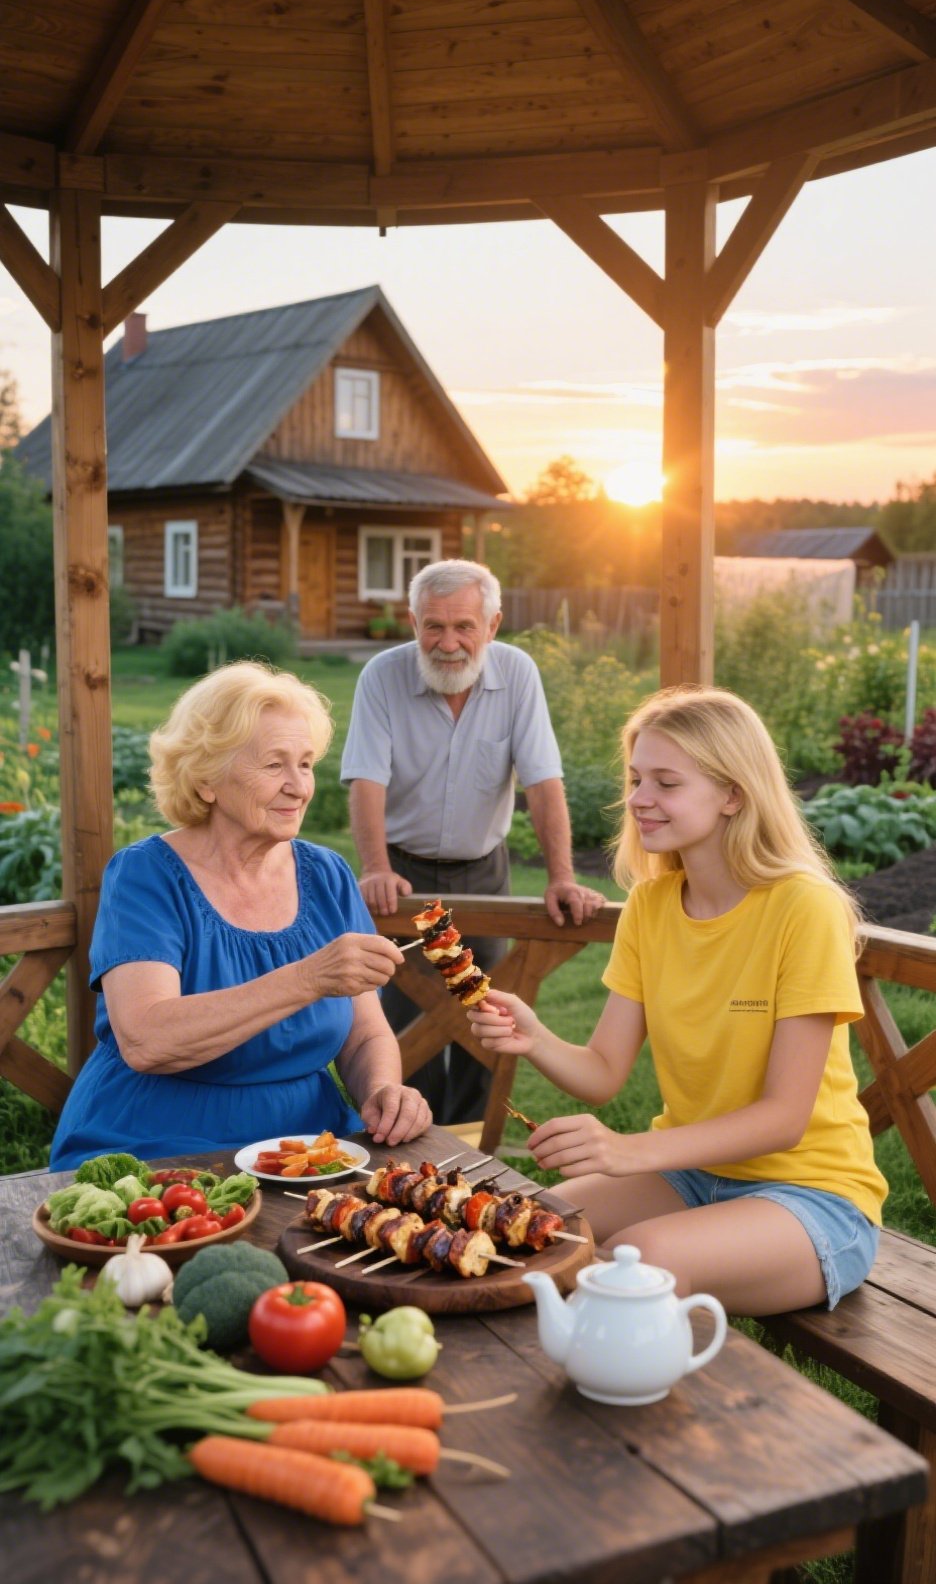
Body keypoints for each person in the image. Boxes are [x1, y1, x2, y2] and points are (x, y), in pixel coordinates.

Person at [469, 685, 887, 1316]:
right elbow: (604, 1073)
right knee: (524, 1226)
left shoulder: (805, 907)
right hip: (691, 1176)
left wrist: (627, 1150)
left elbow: (784, 1118)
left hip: (811, 1195)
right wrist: (535, 1037)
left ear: (733, 794)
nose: (638, 800)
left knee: (632, 1263)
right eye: (637, 779)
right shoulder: (651, 905)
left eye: (666, 782)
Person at [50, 661, 431, 1169]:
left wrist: (383, 1089)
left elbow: (365, 1034)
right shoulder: (146, 875)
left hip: (305, 1148)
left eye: (306, 763)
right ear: (206, 780)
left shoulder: (328, 874)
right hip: (155, 1146)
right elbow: (146, 1040)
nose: (299, 787)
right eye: (274, 766)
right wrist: (309, 978)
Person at [340, 559, 604, 1124]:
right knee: (407, 1019)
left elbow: (542, 780)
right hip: (404, 875)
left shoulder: (518, 674)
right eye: (433, 626)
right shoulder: (381, 677)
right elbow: (366, 780)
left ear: (493, 624)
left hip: (485, 871)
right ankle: (411, 1142)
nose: (449, 642)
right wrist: (375, 867)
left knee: (488, 1017)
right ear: (413, 623)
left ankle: (472, 1150)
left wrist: (561, 877)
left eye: (464, 626)